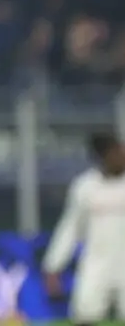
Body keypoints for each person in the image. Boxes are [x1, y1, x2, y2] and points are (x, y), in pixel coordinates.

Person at [42, 132, 125, 325]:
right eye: (116, 153)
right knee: (85, 314)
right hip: (96, 263)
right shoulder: (86, 186)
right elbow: (70, 228)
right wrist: (53, 266)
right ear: (103, 156)